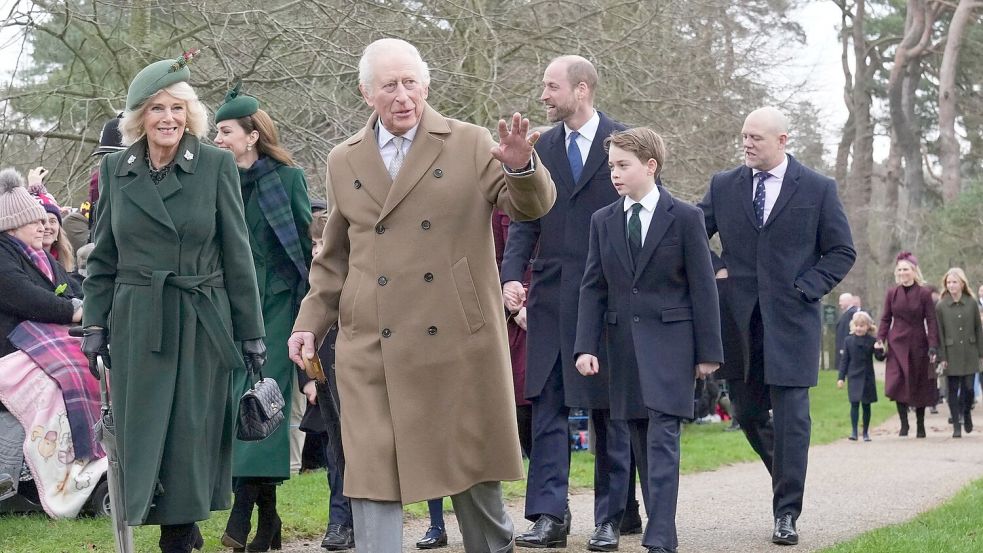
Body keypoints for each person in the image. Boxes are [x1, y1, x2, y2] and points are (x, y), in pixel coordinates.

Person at [286, 38, 555, 553]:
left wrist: (522, 168)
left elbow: (532, 208)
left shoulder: (471, 142)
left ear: (426, 86)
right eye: (389, 85)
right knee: (371, 475)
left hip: (456, 340)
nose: (402, 95)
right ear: (368, 93)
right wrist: (308, 323)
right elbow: (335, 256)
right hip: (371, 345)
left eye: (411, 82)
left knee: (473, 477)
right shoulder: (345, 159)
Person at [81, 53, 265, 553]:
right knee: (144, 437)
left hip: (201, 320)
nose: (168, 118)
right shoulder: (117, 169)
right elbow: (103, 256)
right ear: (139, 117)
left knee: (188, 435)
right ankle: (176, 527)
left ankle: (179, 534)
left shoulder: (215, 165)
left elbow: (238, 254)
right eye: (157, 108)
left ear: (191, 115)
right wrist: (95, 325)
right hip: (139, 320)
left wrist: (251, 333)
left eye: (178, 108)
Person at [698, 106, 855, 546]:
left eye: (756, 138)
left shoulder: (819, 188)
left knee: (792, 421)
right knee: (747, 414)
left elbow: (841, 251)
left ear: (783, 140)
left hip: (792, 322)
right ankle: (787, 473)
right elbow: (692, 233)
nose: (747, 144)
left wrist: (807, 287)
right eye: (744, 136)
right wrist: (716, 268)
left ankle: (786, 512)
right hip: (741, 323)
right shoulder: (724, 185)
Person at [501, 55, 636, 551]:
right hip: (552, 294)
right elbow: (524, 219)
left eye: (550, 86)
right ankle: (548, 516)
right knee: (548, 406)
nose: (543, 96)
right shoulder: (540, 147)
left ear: (581, 90)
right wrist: (511, 276)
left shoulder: (626, 144)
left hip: (607, 299)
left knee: (608, 412)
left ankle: (611, 517)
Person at [575, 128, 722, 553]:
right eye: (611, 167)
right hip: (622, 348)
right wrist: (586, 346)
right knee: (638, 440)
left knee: (662, 439)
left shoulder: (686, 216)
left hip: (673, 347)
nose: (614, 175)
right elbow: (593, 287)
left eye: (623, 165)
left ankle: (661, 533)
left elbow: (703, 288)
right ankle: (657, 524)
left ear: (650, 166)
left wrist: (708, 353)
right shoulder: (603, 220)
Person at [213, 83, 313, 552]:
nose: (218, 138)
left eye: (226, 131)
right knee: (240, 407)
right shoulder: (216, 180)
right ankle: (268, 518)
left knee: (261, 403)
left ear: (252, 135)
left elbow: (302, 254)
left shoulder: (288, 179)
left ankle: (240, 515)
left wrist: (308, 317)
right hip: (229, 308)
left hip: (275, 307)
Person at [299, 212, 354, 551]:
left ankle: (356, 520)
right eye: (314, 245)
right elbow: (302, 328)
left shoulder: (351, 276)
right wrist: (306, 378)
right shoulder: (311, 285)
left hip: (354, 373)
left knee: (358, 452)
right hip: (323, 378)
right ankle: (338, 523)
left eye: (323, 243)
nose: (317, 251)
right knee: (335, 454)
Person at [0, 168, 83, 358]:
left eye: (44, 221)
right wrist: (74, 310)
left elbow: (72, 288)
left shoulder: (42, 257)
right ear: (12, 227)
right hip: (12, 354)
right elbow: (23, 295)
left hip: (33, 346)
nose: (42, 227)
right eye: (34, 222)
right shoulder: (4, 253)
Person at [875, 252, 938, 439]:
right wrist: (880, 339)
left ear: (914, 271)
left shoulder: (924, 293)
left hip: (918, 343)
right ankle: (904, 423)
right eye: (900, 269)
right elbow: (886, 318)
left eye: (906, 269)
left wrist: (933, 344)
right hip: (897, 344)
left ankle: (920, 424)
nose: (903, 272)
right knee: (897, 382)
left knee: (920, 382)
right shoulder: (892, 293)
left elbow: (931, 321)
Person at [935, 267, 983, 438]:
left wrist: (981, 353)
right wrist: (942, 357)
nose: (951, 285)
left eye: (955, 282)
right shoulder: (941, 306)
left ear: (962, 284)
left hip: (970, 351)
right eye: (949, 282)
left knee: (969, 388)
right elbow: (939, 332)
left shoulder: (971, 303)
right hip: (950, 352)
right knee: (952, 390)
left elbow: (978, 328)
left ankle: (967, 413)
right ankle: (956, 424)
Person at [837, 311, 883, 442]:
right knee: (854, 404)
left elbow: (879, 358)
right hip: (853, 376)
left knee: (866, 405)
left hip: (867, 376)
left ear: (868, 326)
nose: (858, 328)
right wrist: (841, 378)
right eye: (856, 325)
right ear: (853, 326)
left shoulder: (872, 340)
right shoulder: (848, 341)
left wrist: (880, 349)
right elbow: (844, 361)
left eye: (862, 326)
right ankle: (854, 431)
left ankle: (866, 432)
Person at [834, 293, 859, 371]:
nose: (839, 303)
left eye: (841, 301)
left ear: (848, 301)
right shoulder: (847, 313)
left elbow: (847, 331)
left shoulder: (851, 313)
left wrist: (844, 347)